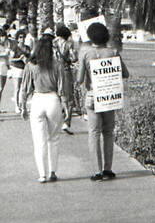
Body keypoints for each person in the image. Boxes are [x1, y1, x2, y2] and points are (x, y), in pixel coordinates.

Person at [75, 21, 129, 181]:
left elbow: (79, 79)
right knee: (108, 133)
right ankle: (108, 169)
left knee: (94, 133)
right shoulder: (113, 52)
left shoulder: (85, 53)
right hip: (109, 97)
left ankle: (96, 171)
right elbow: (125, 73)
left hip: (92, 96)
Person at [19, 34, 68, 183]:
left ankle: (42, 174)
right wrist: (65, 105)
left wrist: (23, 106)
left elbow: (25, 88)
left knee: (38, 141)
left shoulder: (31, 65)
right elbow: (62, 88)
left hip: (37, 100)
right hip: (53, 99)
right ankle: (53, 171)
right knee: (54, 139)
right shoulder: (57, 64)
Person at [53, 25, 78, 133]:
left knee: (56, 96)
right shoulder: (69, 44)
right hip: (65, 70)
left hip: (54, 70)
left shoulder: (53, 43)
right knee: (68, 97)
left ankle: (54, 122)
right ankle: (66, 121)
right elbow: (73, 58)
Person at [8, 29, 30, 114]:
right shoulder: (15, 47)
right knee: (17, 88)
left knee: (24, 88)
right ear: (17, 38)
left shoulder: (27, 47)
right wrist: (19, 59)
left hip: (25, 69)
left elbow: (30, 58)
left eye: (23, 37)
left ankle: (22, 105)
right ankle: (17, 106)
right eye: (20, 37)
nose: (22, 39)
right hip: (17, 68)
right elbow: (11, 59)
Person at [0, 27, 11, 111]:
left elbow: (7, 57)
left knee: (1, 89)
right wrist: (4, 54)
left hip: (4, 68)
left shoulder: (5, 45)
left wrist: (8, 66)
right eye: (2, 36)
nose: (3, 38)